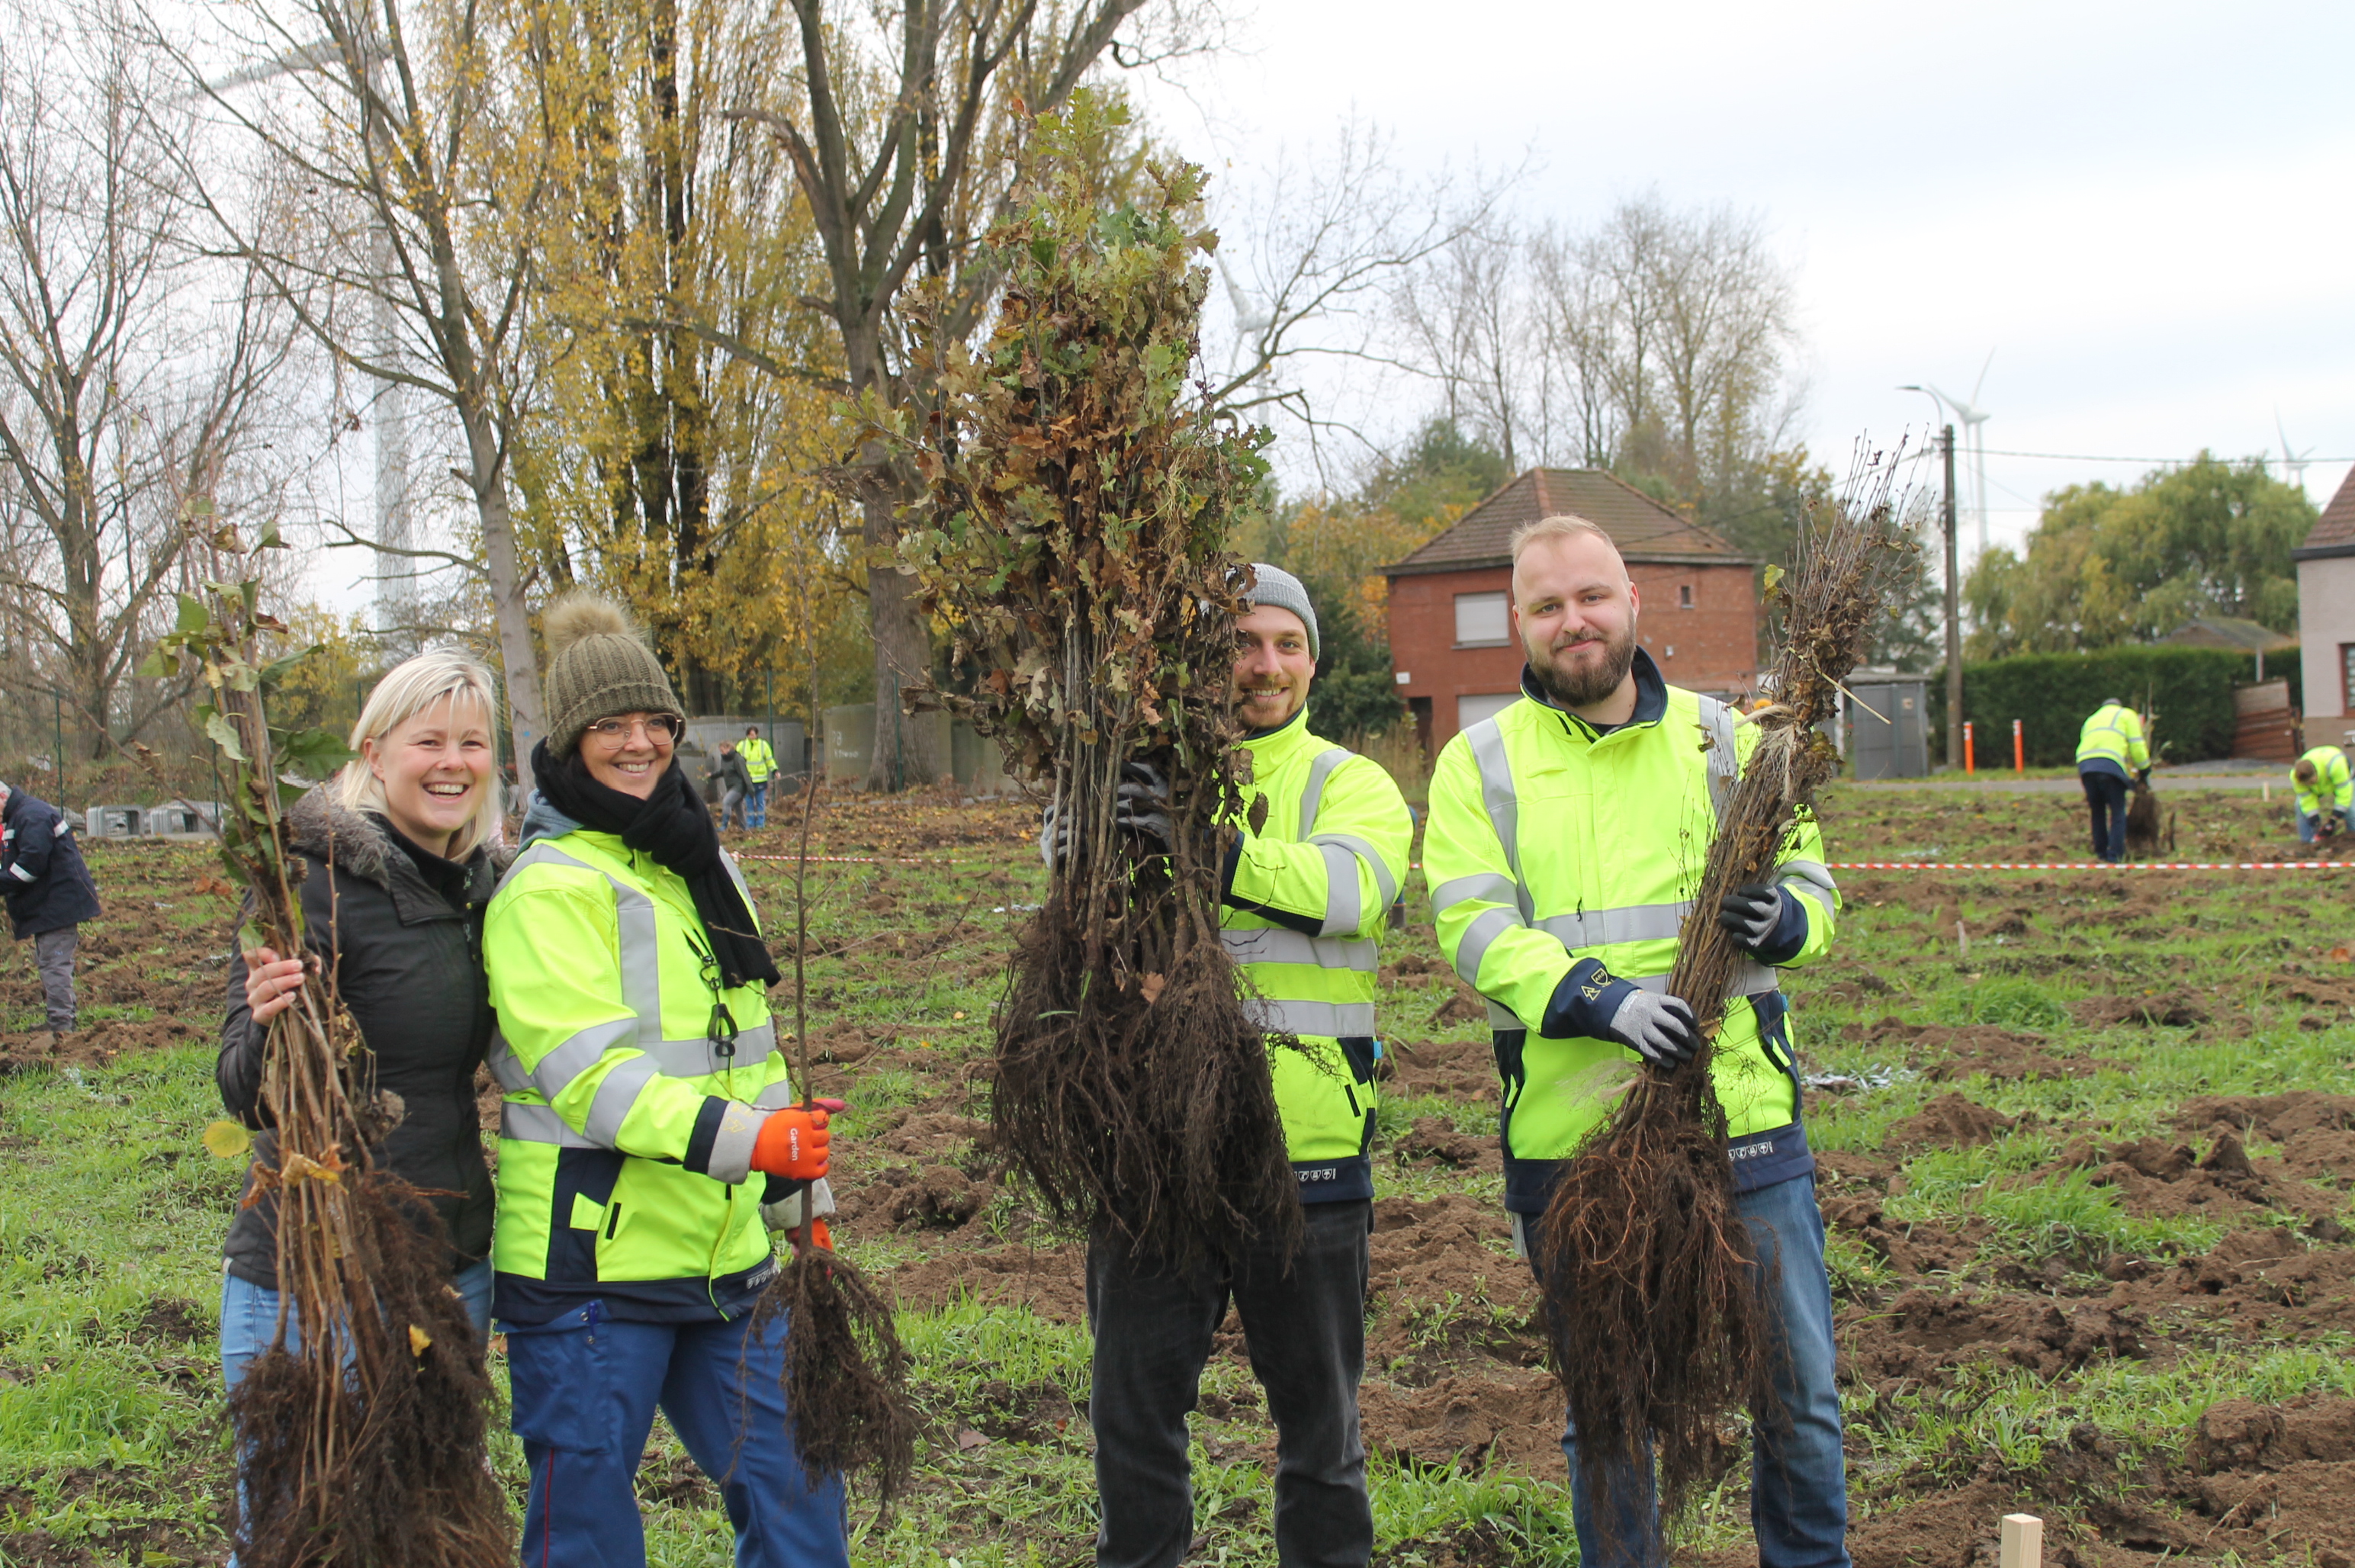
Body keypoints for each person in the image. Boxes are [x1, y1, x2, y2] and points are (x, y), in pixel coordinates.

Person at [1422, 515, 1846, 1568]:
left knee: (1797, 1399)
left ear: (1633, 603)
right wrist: (1595, 996)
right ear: (1519, 621)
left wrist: (1785, 918)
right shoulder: (1479, 764)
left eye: (1593, 597)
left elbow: (1817, 887)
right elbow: (1470, 926)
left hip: (1743, 1126)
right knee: (1609, 1417)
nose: (1576, 621)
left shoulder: (1729, 742)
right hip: (1576, 1146)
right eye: (1549, 605)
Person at [483, 595, 847, 1566]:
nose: (638, 743)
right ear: (567, 742)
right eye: (609, 725)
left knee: (799, 1496)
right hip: (591, 1273)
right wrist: (753, 1143)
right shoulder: (547, 886)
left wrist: (795, 1189)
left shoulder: (703, 865)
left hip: (727, 1255)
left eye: (656, 722)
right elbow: (590, 1079)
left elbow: (752, 1047)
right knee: (588, 1537)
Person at [1074, 563, 1412, 1568]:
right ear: (1199, 659)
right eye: (1241, 643)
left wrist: (1212, 852)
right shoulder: (1127, 773)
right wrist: (1089, 823)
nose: (1266, 666)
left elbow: (1356, 889)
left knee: (1322, 1437)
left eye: (1287, 644)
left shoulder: (1349, 781)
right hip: (1151, 1154)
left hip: (1306, 1157)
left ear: (1313, 658)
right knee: (1133, 1427)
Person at [217, 651, 509, 1505]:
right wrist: (271, 1026)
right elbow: (241, 1088)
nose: (453, 762)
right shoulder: (305, 881)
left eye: (473, 742)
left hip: (449, 1261)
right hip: (311, 1274)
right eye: (429, 741)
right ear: (374, 754)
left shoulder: (486, 888)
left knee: (427, 1520)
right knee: (297, 1529)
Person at [0, 779, 101, 1038]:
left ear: (2, 797)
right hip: (49, 904)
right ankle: (62, 1019)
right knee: (49, 960)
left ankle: (61, 1028)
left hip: (58, 904)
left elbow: (30, 865)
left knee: (54, 963)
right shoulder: (19, 815)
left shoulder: (32, 816)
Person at [2074, 696, 2149, 866]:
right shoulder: (2126, 715)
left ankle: (2100, 853)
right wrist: (2144, 769)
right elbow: (2136, 745)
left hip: (2086, 766)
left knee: (2097, 811)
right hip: (2110, 765)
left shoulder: (2091, 719)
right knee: (2117, 811)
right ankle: (2115, 856)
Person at [2292, 745, 2353, 843]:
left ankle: (2351, 841)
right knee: (2299, 806)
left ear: (2316, 773)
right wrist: (2315, 821)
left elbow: (2345, 795)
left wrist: (2332, 821)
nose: (2309, 785)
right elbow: (2306, 799)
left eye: (2311, 782)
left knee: (2351, 808)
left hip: (2342, 776)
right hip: (2321, 784)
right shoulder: (2296, 778)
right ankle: (2308, 843)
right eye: (2306, 784)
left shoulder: (2336, 766)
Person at [707, 740, 753, 831]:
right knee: (738, 807)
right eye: (720, 751)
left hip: (739, 787)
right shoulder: (725, 760)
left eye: (722, 750)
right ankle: (745, 828)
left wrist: (750, 788)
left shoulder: (738, 759)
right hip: (731, 787)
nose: (721, 752)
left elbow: (745, 774)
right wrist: (712, 775)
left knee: (726, 802)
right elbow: (723, 772)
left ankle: (724, 826)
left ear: (729, 748)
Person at [739, 725, 777, 828]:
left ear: (757, 734)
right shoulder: (742, 745)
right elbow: (737, 760)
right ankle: (750, 824)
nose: (752, 736)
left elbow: (770, 759)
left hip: (761, 779)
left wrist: (775, 770)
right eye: (750, 734)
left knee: (760, 802)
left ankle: (761, 824)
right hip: (747, 780)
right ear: (747, 735)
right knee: (749, 803)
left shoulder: (763, 745)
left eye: (754, 734)